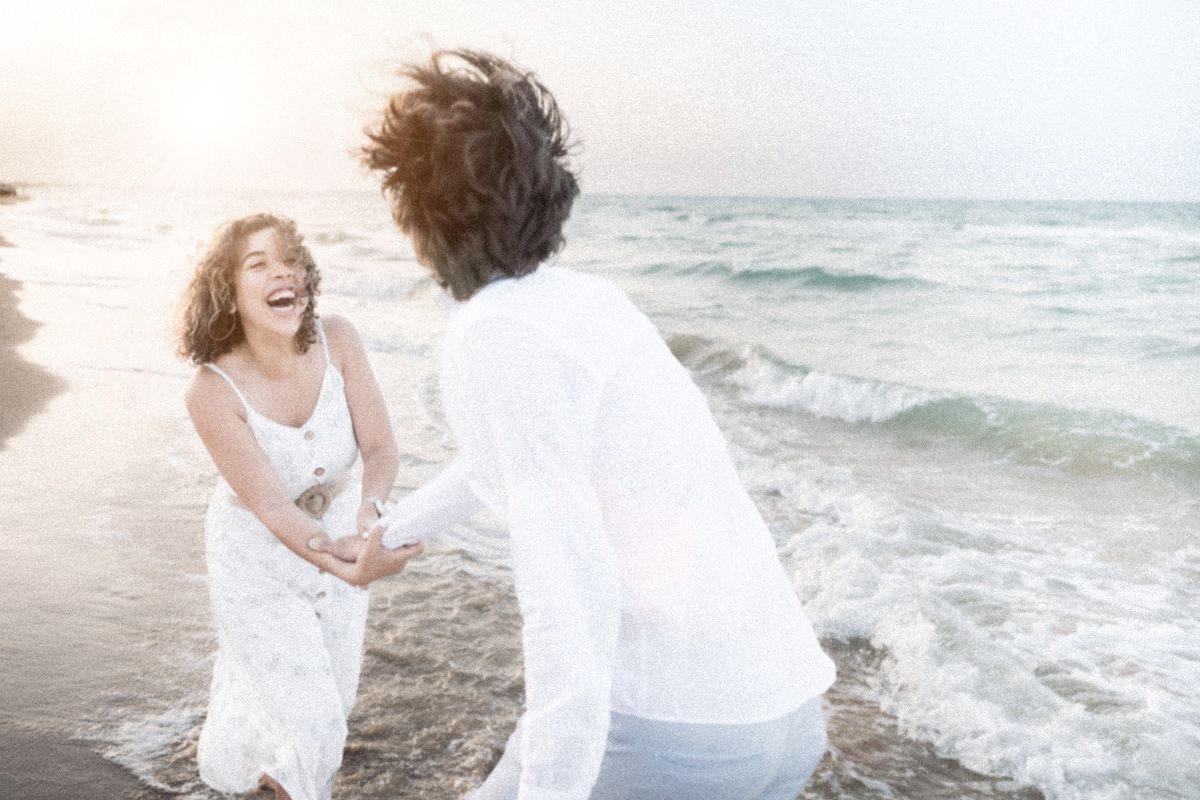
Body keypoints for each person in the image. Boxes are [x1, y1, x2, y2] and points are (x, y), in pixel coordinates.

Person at [321, 49, 837, 799]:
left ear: (419, 211)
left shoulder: (494, 334)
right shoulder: (587, 303)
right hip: (786, 714)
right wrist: (390, 536)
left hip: (672, 731)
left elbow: (569, 591)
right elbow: (517, 457)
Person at [177, 213, 422, 800]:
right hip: (254, 551)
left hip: (340, 525)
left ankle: (273, 778)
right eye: (257, 264)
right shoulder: (209, 391)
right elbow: (274, 510)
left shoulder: (339, 339)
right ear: (228, 289)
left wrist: (369, 514)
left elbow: (381, 446)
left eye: (290, 261)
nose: (280, 272)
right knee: (312, 714)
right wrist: (342, 560)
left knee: (331, 695)